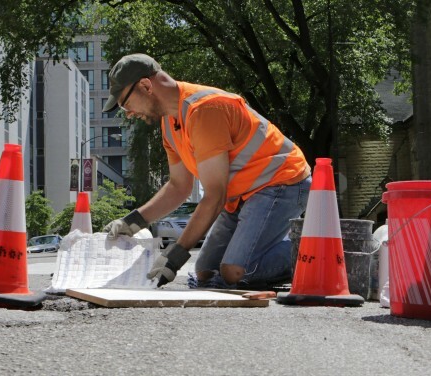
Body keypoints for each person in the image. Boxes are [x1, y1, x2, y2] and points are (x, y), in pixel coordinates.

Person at [102, 53, 311, 288]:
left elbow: (214, 195)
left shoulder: (205, 109)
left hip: (282, 183)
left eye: (125, 103)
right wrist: (132, 221)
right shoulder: (170, 124)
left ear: (146, 85)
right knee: (205, 272)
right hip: (242, 195)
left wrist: (177, 255)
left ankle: (317, 250)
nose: (128, 113)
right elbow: (179, 187)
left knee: (235, 272)